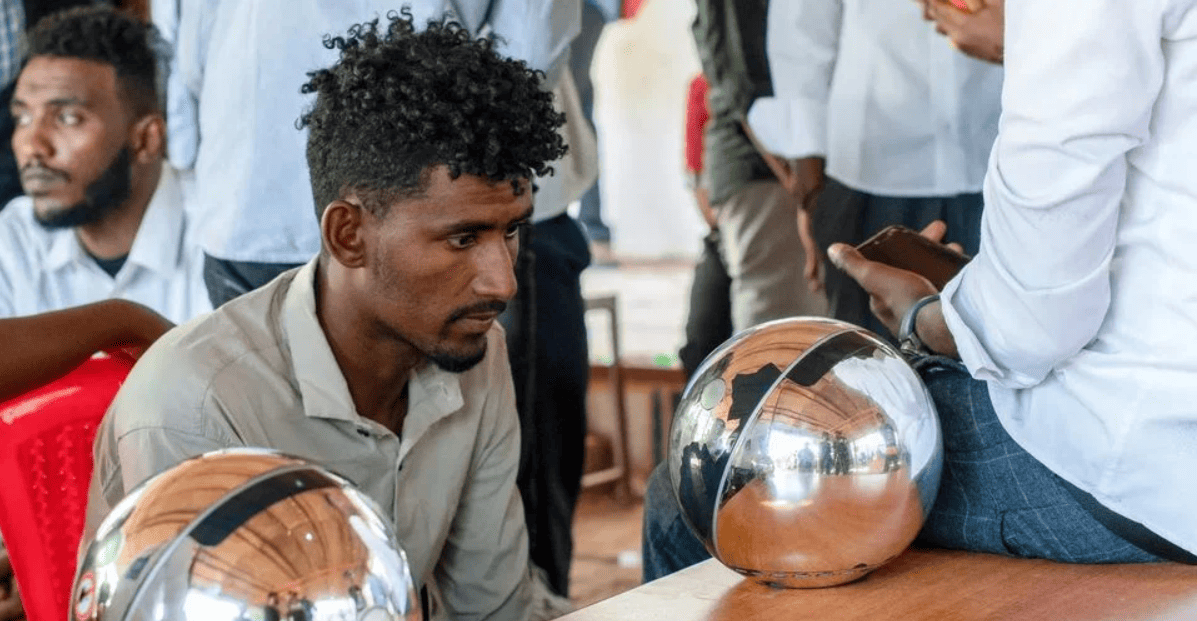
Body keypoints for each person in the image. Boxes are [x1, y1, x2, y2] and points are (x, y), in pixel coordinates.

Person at [642, 0, 1197, 579]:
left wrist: (925, 316)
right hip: (884, 165)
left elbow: (1032, 327)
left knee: (702, 485)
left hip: (1144, 469)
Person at [84, 12, 572, 621]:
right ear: (348, 235)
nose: (502, 282)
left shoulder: (475, 352)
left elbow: (493, 606)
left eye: (512, 232)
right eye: (463, 238)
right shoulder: (198, 405)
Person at [153, 0, 580, 308]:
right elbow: (531, 44)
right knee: (446, 403)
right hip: (431, 205)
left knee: (259, 402)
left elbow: (180, 45)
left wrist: (195, 165)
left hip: (245, 196)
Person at [746, 0, 1002, 340]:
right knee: (869, 352)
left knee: (996, 340)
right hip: (869, 174)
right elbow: (802, 30)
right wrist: (809, 177)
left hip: (997, 160)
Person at [0, 6, 208, 323]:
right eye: (23, 118)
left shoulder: (214, 235)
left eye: (68, 118)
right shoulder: (14, 241)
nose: (32, 146)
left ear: (146, 139)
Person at [691, 0, 826, 335]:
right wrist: (805, 191)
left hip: (796, 169)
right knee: (782, 343)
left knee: (808, 335)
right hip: (773, 172)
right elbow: (749, 86)